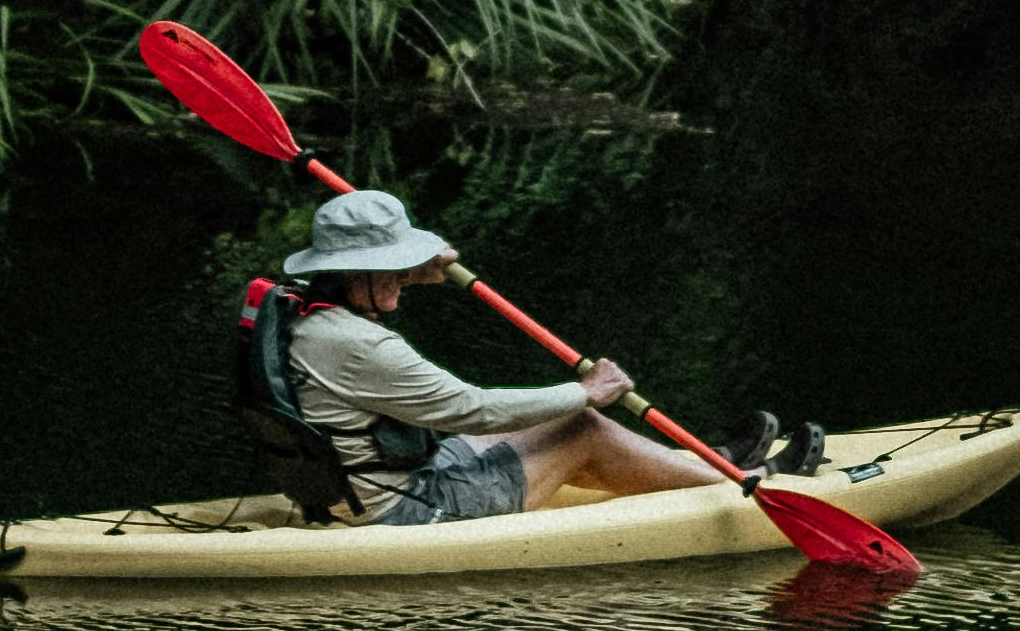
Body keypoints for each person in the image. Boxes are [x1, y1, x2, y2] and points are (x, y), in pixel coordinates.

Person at [271, 182, 734, 527]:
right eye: (387, 267)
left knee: (540, 421)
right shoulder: (362, 345)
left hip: (351, 486)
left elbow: (372, 294)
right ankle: (736, 483)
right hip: (400, 508)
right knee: (582, 428)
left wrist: (416, 270)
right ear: (353, 272)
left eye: (399, 265)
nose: (398, 276)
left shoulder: (304, 312)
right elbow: (477, 410)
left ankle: (703, 460)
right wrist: (587, 392)